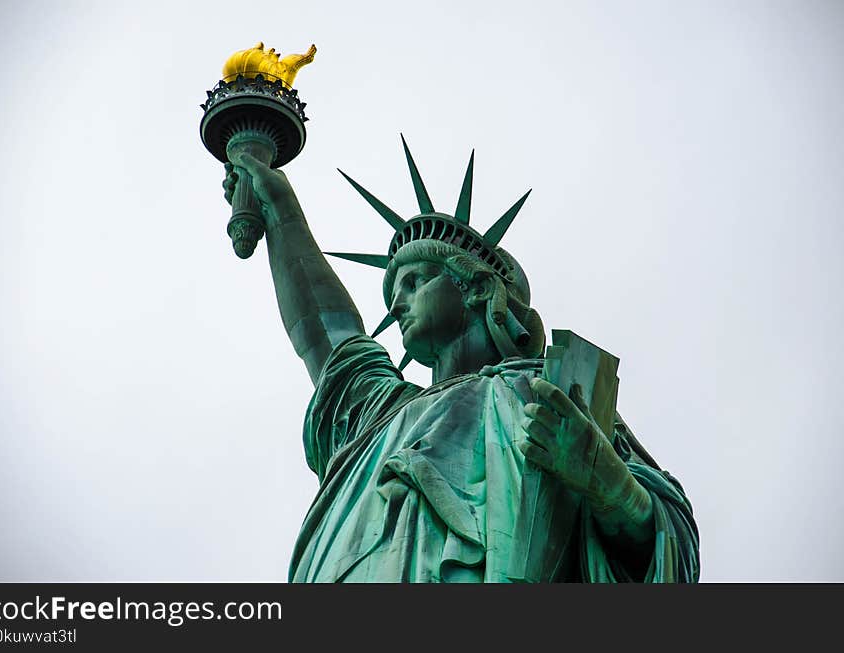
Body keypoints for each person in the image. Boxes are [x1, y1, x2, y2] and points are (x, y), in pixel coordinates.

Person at [222, 137, 700, 582]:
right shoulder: (381, 415)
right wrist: (278, 208)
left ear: (472, 287)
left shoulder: (544, 395)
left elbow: (667, 539)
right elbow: (328, 335)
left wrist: (605, 479)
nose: (396, 304)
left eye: (415, 282)